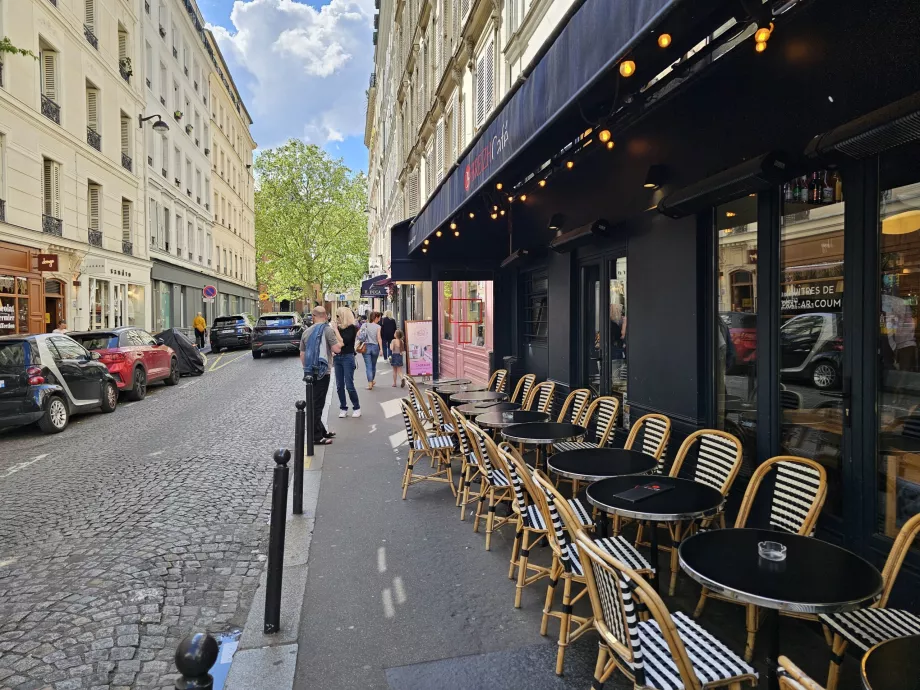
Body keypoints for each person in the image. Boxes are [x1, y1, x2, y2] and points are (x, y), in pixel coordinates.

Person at [299, 306, 342, 445]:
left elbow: (302, 355)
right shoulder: (327, 330)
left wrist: (308, 369)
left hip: (310, 373)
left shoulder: (306, 332)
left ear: (313, 316)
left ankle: (321, 430)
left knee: (314, 402)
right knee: (318, 405)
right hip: (323, 372)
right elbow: (337, 349)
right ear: (326, 316)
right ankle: (316, 437)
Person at [333, 306, 361, 419]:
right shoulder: (338, 329)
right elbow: (335, 343)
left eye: (338, 316)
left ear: (343, 316)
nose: (336, 318)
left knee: (349, 385)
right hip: (337, 358)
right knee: (339, 386)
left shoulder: (352, 328)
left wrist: (335, 331)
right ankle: (343, 408)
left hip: (348, 358)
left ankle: (356, 407)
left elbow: (343, 342)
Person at [358, 311, 384, 390]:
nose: (379, 319)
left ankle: (370, 383)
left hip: (366, 347)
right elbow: (379, 338)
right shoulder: (378, 327)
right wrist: (381, 349)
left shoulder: (364, 325)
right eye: (379, 317)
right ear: (376, 318)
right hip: (375, 347)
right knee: (373, 366)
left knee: (368, 366)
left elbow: (358, 334)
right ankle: (371, 381)